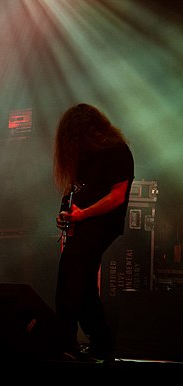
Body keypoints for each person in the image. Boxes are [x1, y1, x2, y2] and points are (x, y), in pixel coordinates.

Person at [53, 103, 134, 362]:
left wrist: (82, 214)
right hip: (84, 223)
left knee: (71, 270)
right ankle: (102, 342)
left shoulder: (118, 151)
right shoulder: (87, 156)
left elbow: (117, 197)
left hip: (103, 224)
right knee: (84, 283)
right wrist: (65, 213)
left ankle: (65, 339)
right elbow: (74, 190)